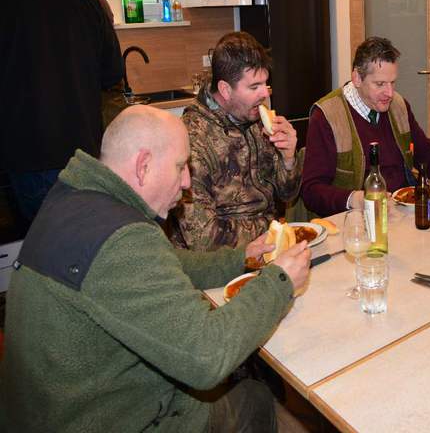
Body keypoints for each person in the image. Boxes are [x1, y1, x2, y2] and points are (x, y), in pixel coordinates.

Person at [0, 105, 311, 432]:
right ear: (143, 166)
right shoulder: (122, 241)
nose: (187, 182)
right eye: (180, 167)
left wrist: (241, 257)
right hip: (99, 420)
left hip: (53, 410)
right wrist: (279, 282)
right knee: (253, 398)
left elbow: (165, 261)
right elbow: (208, 357)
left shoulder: (78, 200)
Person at [0, 0, 123, 232]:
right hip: (84, 153)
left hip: (24, 158)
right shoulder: (87, 1)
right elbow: (112, 74)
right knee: (85, 240)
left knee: (40, 243)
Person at [302, 37, 430, 217]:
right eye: (380, 84)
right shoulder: (327, 116)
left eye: (393, 82)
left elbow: (425, 152)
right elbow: (311, 191)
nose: (389, 93)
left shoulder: (398, 106)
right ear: (357, 78)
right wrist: (356, 199)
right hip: (356, 220)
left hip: (403, 212)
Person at [173, 32, 301, 251]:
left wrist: (288, 159)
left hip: (269, 246)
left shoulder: (254, 116)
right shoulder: (192, 139)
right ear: (225, 89)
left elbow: (287, 194)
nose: (265, 93)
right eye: (254, 87)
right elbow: (203, 239)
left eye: (265, 83)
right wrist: (271, 230)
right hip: (225, 262)